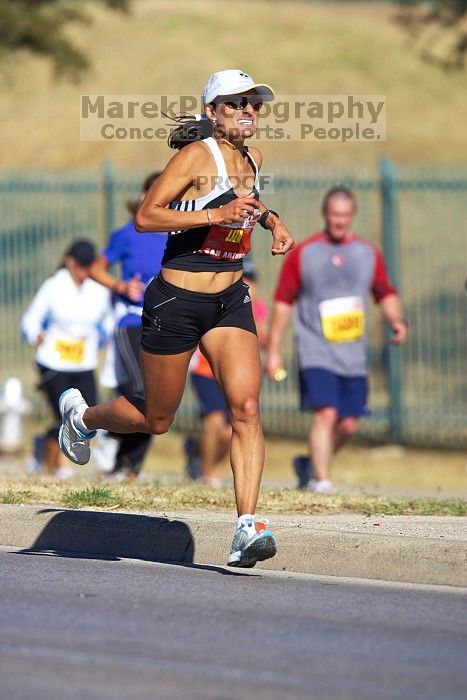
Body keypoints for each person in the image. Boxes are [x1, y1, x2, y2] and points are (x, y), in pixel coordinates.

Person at [57, 69, 294, 567]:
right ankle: (82, 417)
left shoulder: (254, 157)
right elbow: (147, 216)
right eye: (236, 103)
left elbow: (242, 205)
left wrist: (271, 221)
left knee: (246, 409)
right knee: (157, 418)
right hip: (175, 303)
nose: (248, 110)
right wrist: (212, 218)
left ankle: (246, 528)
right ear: (213, 112)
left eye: (254, 103)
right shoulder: (193, 157)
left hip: (229, 300)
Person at [265, 186, 408, 493]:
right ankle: (322, 480)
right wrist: (274, 350)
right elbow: (282, 302)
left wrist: (396, 321)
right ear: (325, 214)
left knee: (348, 424)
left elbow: (385, 292)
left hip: (353, 353)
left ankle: (310, 464)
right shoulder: (304, 253)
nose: (339, 221)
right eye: (334, 215)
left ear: (352, 215)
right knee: (326, 412)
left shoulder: (368, 254)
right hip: (315, 349)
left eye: (344, 215)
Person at [88, 172, 168, 482]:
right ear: (146, 194)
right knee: (140, 388)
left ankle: (126, 468)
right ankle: (110, 433)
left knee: (160, 400)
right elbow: (96, 268)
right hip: (132, 321)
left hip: (166, 325)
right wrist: (121, 287)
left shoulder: (180, 235)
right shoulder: (129, 233)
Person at [21, 239, 112, 478]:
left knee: (86, 415)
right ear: (70, 262)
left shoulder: (99, 289)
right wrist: (35, 334)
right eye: (80, 265)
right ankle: (57, 466)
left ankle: (44, 447)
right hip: (54, 362)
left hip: (84, 362)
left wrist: (103, 336)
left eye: (87, 266)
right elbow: (30, 319)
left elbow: (108, 320)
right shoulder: (53, 286)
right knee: (63, 415)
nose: (84, 271)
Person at [186, 260, 269, 488]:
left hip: (235, 375)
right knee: (214, 423)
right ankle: (206, 474)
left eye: (250, 280)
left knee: (230, 430)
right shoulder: (216, 298)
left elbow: (263, 340)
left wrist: (253, 311)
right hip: (205, 371)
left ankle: (199, 453)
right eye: (243, 278)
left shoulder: (257, 307)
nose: (246, 284)